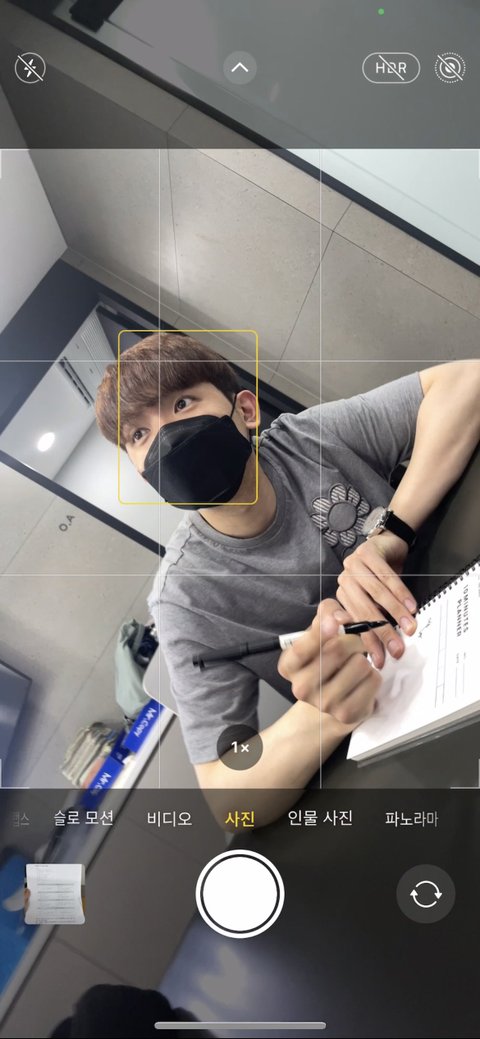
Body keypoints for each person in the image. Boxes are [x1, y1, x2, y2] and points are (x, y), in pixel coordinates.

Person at [95, 333, 480, 815]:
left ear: (246, 410)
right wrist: (325, 711)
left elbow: (467, 382)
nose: (166, 438)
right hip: (404, 734)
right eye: (138, 434)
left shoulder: (306, 440)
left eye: (182, 403)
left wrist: (391, 532)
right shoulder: (185, 599)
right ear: (142, 474)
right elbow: (227, 797)